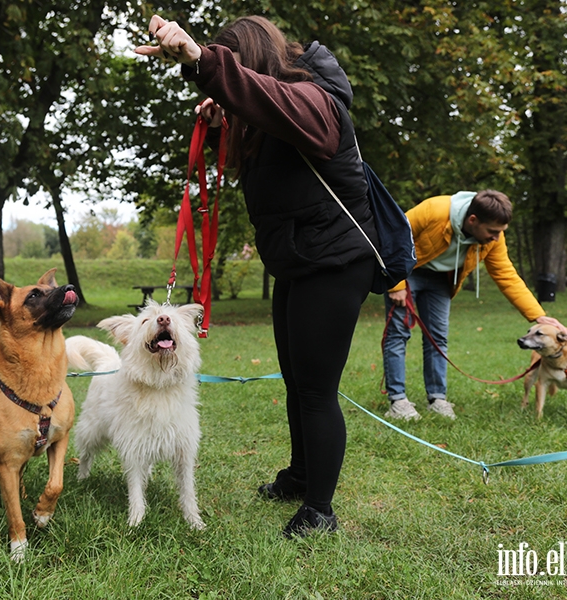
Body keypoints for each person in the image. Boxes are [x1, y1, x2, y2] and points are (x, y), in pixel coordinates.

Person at [136, 15, 379, 537]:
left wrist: (202, 62)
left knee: (316, 389)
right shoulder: (273, 109)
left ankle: (320, 509)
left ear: (252, 61)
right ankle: (298, 475)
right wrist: (227, 117)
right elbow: (265, 112)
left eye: (236, 72)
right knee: (296, 379)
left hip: (334, 261)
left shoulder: (317, 96)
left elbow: (277, 103)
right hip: (299, 257)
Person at [382, 190, 565, 421]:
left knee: (438, 338)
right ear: (472, 220)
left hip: (442, 279)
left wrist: (537, 316)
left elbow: (506, 275)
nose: (496, 238)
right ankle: (398, 400)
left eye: (500, 232)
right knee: (398, 333)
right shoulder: (434, 210)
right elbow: (392, 236)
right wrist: (396, 283)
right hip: (408, 271)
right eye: (492, 232)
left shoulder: (493, 236)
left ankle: (437, 399)